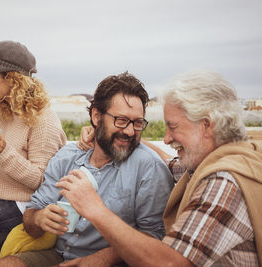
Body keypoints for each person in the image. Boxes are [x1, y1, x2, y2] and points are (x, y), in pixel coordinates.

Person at [58, 70, 262, 266]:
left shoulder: (223, 181)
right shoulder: (218, 161)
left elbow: (169, 262)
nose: (166, 138)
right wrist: (112, 133)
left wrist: (95, 208)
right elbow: (168, 161)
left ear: (207, 126)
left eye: (173, 127)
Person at [0, 71, 174, 267]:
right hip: (58, 254)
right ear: (96, 116)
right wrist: (38, 218)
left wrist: (102, 258)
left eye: (138, 123)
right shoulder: (67, 157)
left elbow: (154, 237)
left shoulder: (150, 168)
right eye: (121, 120)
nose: (130, 131)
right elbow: (31, 215)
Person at [0, 40, 66, 264]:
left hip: (26, 204)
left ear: (11, 78)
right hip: (8, 199)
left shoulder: (43, 119)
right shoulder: (7, 108)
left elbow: (42, 180)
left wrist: (4, 151)